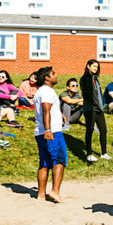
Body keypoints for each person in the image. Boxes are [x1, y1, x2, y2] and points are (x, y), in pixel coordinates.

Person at [33, 67, 66, 203]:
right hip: (51, 131)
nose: (56, 75)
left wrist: (59, 114)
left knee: (44, 163)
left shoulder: (41, 91)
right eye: (53, 73)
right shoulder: (47, 91)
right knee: (59, 160)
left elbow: (48, 110)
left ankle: (41, 194)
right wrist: (48, 129)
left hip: (40, 131)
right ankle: (55, 191)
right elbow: (46, 109)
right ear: (47, 77)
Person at [79, 59, 110, 162]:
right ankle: (89, 154)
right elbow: (87, 94)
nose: (96, 68)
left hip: (99, 109)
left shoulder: (95, 79)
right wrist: (94, 104)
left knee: (103, 130)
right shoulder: (85, 79)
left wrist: (101, 106)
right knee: (90, 130)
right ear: (88, 66)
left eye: (97, 67)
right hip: (90, 109)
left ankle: (104, 153)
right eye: (94, 66)